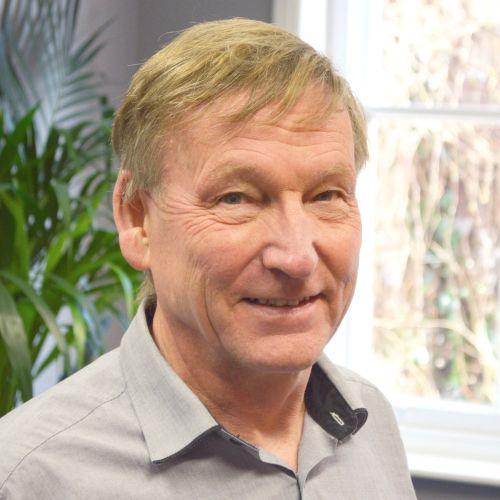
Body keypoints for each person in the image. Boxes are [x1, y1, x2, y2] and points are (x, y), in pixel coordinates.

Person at [0, 18, 416, 499]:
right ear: (137, 218)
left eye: (326, 195)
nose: (297, 257)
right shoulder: (29, 477)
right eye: (236, 198)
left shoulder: (371, 425)